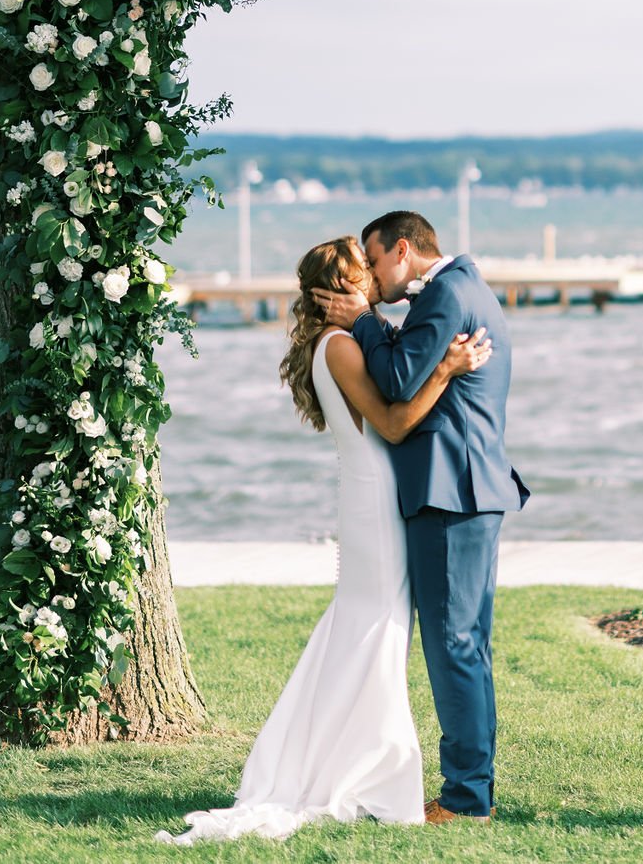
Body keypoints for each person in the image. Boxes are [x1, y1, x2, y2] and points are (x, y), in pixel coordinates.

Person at [155, 236, 491, 845]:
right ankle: (368, 771)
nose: (378, 286)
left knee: (367, 627)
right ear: (344, 289)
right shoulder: (339, 346)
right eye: (366, 274)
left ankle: (345, 759)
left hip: (371, 494)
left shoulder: (339, 342)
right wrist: (444, 369)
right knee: (376, 628)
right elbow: (391, 422)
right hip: (374, 503)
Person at [313, 210, 529, 825]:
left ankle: (465, 799)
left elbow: (400, 379)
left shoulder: (444, 294)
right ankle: (473, 788)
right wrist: (377, 324)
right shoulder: (464, 287)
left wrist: (360, 321)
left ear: (401, 249)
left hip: (449, 491)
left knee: (454, 645)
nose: (373, 277)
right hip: (469, 490)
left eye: (375, 262)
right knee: (468, 645)